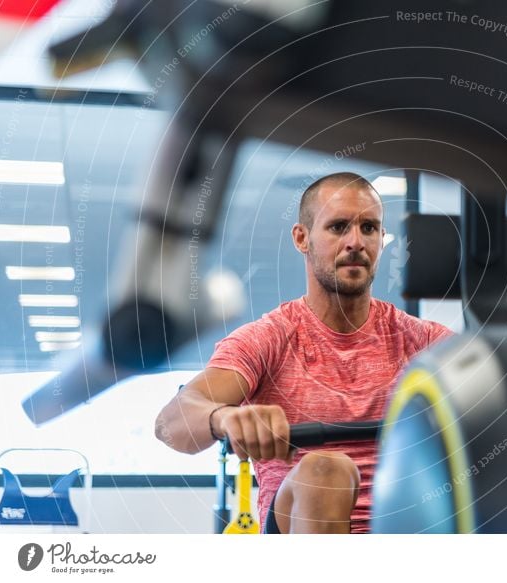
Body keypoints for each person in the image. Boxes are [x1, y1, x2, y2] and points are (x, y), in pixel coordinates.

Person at [155, 172, 452, 534]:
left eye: (370, 228)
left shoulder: (423, 342)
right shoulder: (269, 339)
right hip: (298, 527)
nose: (356, 242)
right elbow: (170, 424)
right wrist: (224, 419)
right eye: (339, 227)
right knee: (325, 469)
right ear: (302, 238)